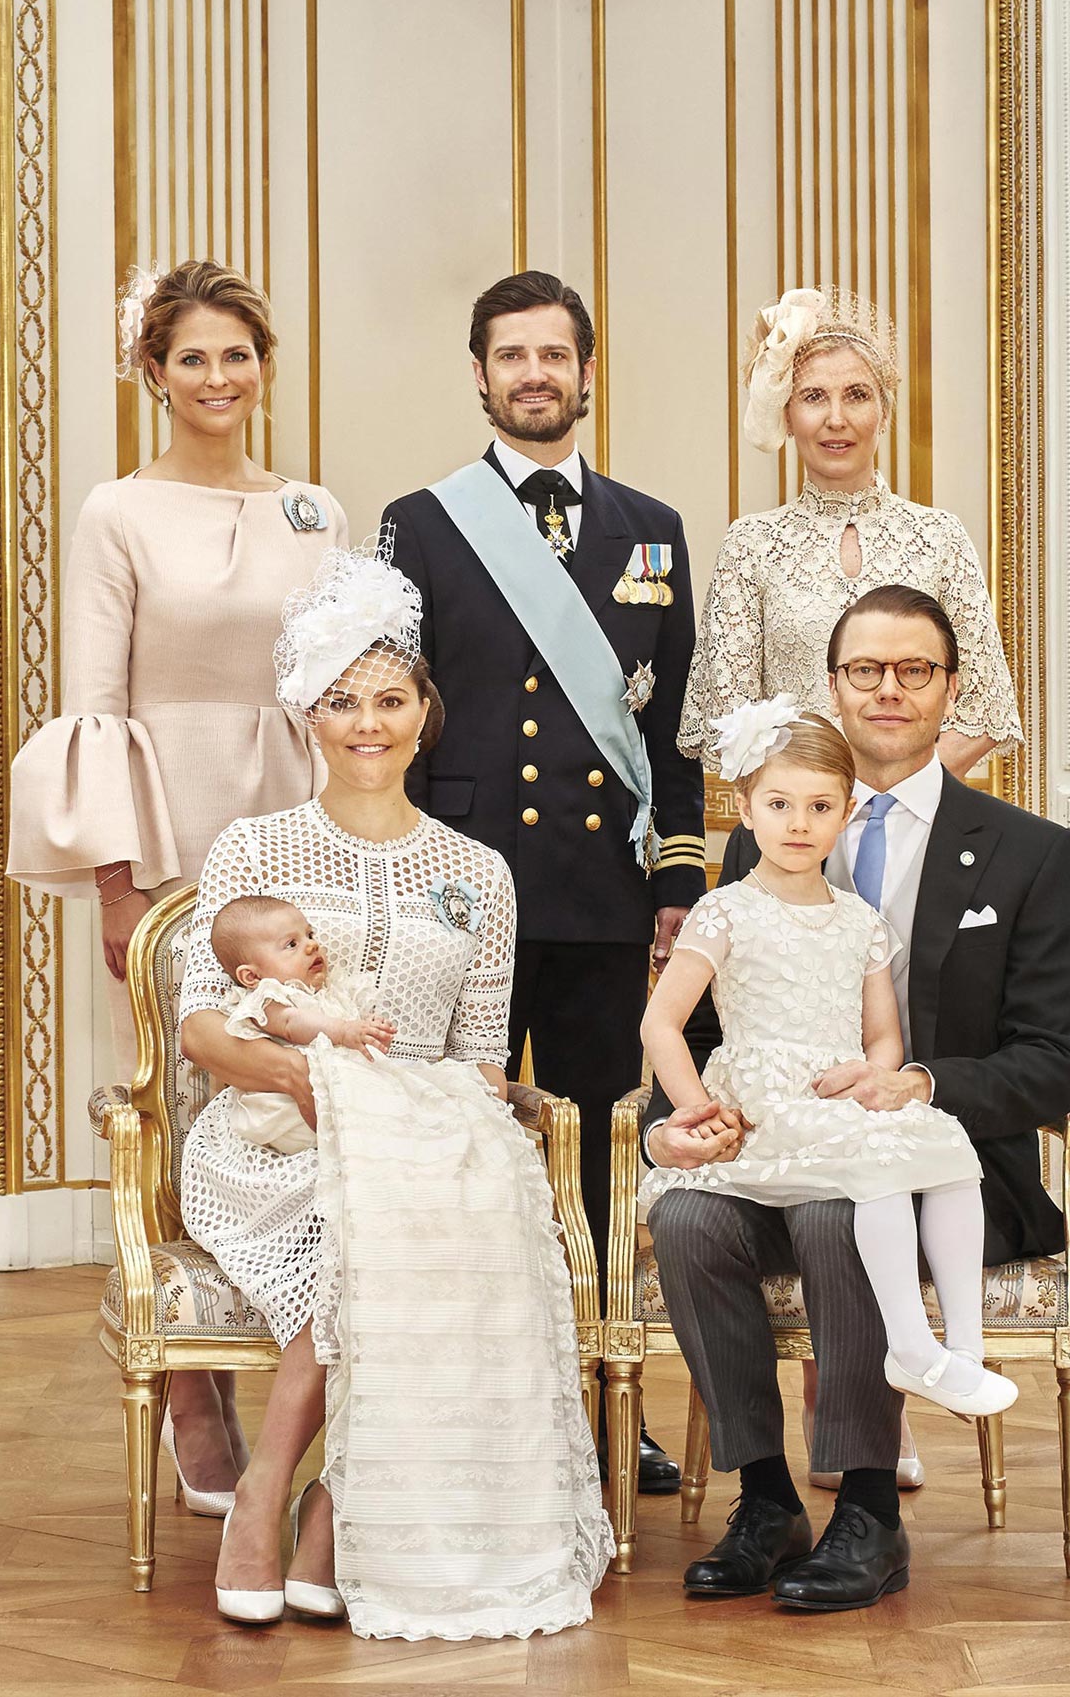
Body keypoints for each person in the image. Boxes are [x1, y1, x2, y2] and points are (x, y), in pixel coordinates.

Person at [178, 541, 612, 1637]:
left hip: (423, 1143)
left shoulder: (479, 872)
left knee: (430, 1222)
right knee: (364, 1235)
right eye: (341, 702)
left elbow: (480, 1056)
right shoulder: (253, 848)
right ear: (306, 716)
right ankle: (268, 1497)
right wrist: (315, 1085)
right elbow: (201, 1029)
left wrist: (423, 1132)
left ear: (425, 713)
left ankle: (336, 1508)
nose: (366, 723)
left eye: (388, 699)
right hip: (270, 1147)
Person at [643, 585, 1070, 1612]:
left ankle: (869, 1507)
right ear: (834, 685)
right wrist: (683, 1126)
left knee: (838, 1209)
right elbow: (701, 1029)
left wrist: (916, 1081)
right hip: (769, 1148)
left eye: (914, 669)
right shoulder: (764, 838)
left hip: (942, 1170)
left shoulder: (1031, 852)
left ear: (951, 688)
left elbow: (1051, 1061)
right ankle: (766, 1499)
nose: (889, 689)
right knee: (688, 1221)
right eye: (864, 670)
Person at [8, 259, 350, 1513]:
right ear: (152, 372)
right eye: (191, 357)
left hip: (297, 825)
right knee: (176, 1095)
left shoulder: (314, 510)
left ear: (265, 366)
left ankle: (302, 1358)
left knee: (296, 1090)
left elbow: (338, 683)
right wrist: (119, 889)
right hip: (169, 835)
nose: (217, 378)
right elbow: (95, 706)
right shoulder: (118, 512)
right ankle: (193, 1393)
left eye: (236, 355)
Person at [380, 270, 708, 1491]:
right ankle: (456, 1407)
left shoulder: (652, 528)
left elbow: (674, 728)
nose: (533, 375)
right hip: (458, 886)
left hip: (596, 893)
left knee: (601, 1160)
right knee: (450, 1151)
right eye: (510, 355)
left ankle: (610, 1403)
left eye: (553, 355)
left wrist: (676, 878)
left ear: (586, 372)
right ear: (480, 374)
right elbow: (394, 708)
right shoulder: (421, 523)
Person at [640, 701, 1018, 1425]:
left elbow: (884, 1037)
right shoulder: (723, 910)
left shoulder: (860, 921)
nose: (798, 823)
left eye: (819, 807)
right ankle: (910, 1346)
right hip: (767, 1101)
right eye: (779, 804)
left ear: (846, 813)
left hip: (839, 1095)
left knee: (951, 1152)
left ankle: (963, 1352)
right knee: (877, 1168)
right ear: (745, 808)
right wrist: (694, 1107)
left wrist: (877, 1080)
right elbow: (661, 1023)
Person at [677, 287, 1023, 780]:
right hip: (795, 818)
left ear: (884, 413)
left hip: (919, 817)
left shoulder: (940, 537)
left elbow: (985, 707)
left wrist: (892, 800)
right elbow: (732, 721)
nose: (836, 419)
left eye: (857, 395)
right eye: (814, 397)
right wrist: (822, 805)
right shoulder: (749, 545)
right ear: (787, 415)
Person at [209, 896, 398, 1155]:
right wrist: (345, 1031)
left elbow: (349, 1033)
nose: (312, 945)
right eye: (291, 944)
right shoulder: (268, 999)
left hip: (338, 1090)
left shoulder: (329, 991)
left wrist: (369, 1032)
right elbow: (291, 1023)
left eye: (309, 935)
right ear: (252, 976)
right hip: (287, 1109)